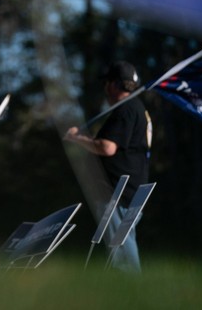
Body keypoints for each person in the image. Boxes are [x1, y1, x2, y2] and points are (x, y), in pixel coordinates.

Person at [64, 60, 151, 272]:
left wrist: (77, 138)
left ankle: (134, 299)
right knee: (122, 245)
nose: (105, 89)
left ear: (113, 85)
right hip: (133, 190)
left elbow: (108, 147)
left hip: (118, 192)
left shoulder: (125, 109)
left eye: (107, 83)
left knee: (121, 251)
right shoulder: (138, 109)